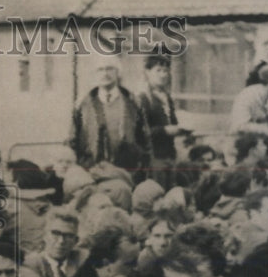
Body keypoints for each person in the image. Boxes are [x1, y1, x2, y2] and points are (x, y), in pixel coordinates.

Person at [69, 55, 152, 179]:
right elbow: (72, 141)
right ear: (94, 74)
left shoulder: (133, 103)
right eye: (100, 70)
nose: (105, 73)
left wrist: (140, 170)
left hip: (127, 174)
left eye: (109, 69)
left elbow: (145, 140)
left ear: (117, 72)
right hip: (92, 174)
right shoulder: (83, 105)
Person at [136, 52, 187, 188]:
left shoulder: (166, 97)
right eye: (158, 70)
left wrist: (181, 130)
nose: (163, 75)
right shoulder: (143, 98)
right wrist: (165, 130)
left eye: (166, 71)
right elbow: (140, 132)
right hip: (153, 157)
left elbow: (173, 122)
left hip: (169, 155)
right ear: (147, 72)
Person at [22, 209, 85, 277]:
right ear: (44, 235)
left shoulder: (81, 261)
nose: (61, 241)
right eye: (55, 233)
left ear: (76, 241)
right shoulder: (30, 264)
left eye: (69, 236)